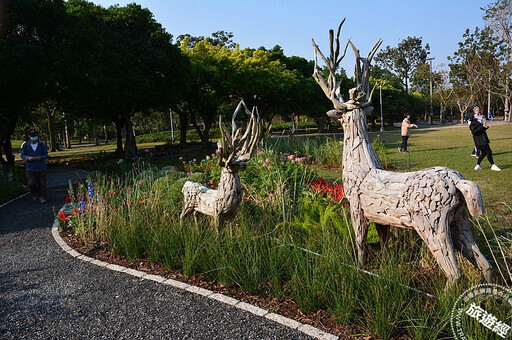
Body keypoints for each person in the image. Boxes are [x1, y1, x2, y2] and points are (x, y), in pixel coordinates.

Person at [21, 130, 49, 203]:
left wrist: (41, 157)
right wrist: (27, 158)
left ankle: (42, 196)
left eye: (35, 136)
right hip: (30, 167)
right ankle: (34, 193)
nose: (34, 138)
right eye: (32, 136)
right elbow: (23, 155)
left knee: (42, 183)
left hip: (41, 166)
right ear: (29, 137)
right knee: (31, 183)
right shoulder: (26, 145)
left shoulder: (41, 144)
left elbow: (46, 154)